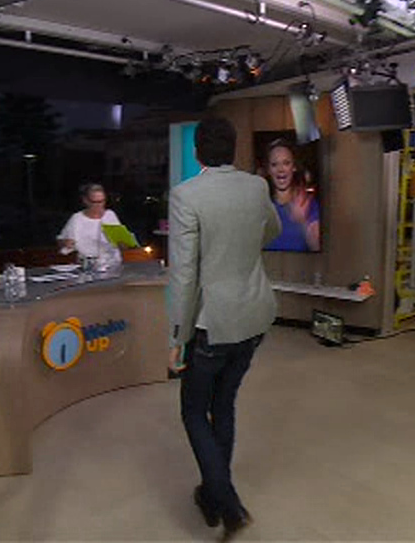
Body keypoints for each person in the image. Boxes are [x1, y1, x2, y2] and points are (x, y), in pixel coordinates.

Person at [168, 116, 281, 540]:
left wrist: (177, 338)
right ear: (234, 149)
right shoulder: (256, 186)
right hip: (253, 318)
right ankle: (213, 496)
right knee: (225, 402)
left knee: (194, 410)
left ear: (197, 152)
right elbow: (273, 229)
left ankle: (228, 503)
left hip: (212, 324)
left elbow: (184, 276)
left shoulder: (186, 195)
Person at [261, 139, 320, 252]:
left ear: (294, 167)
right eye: (274, 164)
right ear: (268, 170)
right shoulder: (261, 206)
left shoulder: (308, 205)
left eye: (286, 163)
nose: (280, 170)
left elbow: (317, 248)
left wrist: (302, 222)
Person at [57, 183, 124, 273]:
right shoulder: (77, 218)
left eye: (102, 201)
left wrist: (123, 242)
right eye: (95, 202)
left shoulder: (110, 215)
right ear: (86, 201)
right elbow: (61, 240)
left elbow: (121, 241)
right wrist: (65, 243)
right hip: (88, 266)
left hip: (113, 264)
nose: (99, 205)